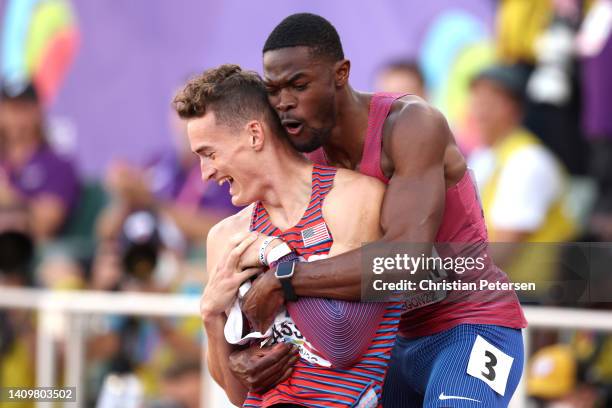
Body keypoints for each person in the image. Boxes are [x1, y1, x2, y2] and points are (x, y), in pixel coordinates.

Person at [229, 13, 528, 407]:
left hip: (471, 324)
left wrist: (284, 279)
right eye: (274, 90)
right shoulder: (303, 154)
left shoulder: (412, 125)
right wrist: (241, 348)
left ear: (341, 73)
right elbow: (259, 248)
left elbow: (404, 261)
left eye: (299, 85)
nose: (285, 102)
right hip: (386, 344)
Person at [173, 64, 402, 407]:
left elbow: (342, 343)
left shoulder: (350, 198)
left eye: (210, 153)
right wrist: (210, 316)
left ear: (254, 135)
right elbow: (239, 396)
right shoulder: (226, 237)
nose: (205, 173)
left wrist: (276, 257)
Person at [468, 64, 576, 303]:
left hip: (528, 302)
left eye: (487, 102)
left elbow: (502, 249)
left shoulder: (528, 160)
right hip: (495, 295)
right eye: (475, 100)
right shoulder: (485, 157)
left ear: (513, 109)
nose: (477, 111)